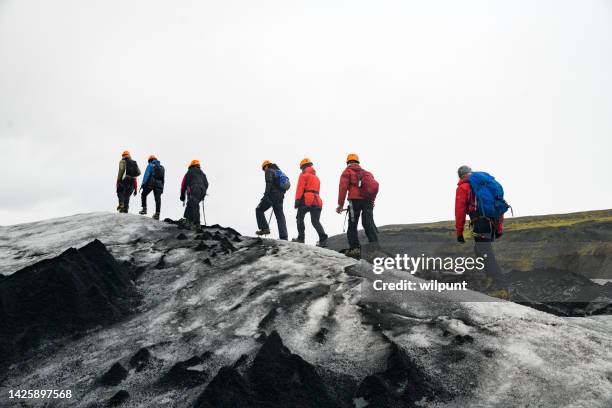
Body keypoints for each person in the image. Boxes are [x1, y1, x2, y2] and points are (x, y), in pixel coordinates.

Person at [455, 165, 505, 284]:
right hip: (491, 223)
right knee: (480, 250)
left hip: (480, 222)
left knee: (484, 251)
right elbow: (498, 207)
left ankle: (498, 282)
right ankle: (489, 278)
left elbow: (459, 211)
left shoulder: (464, 187)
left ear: (460, 176)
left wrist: (459, 233)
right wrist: (498, 228)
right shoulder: (487, 184)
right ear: (471, 172)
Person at [336, 153, 378, 257]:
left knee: (352, 225)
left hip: (355, 201)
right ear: (358, 162)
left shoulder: (347, 171)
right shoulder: (367, 173)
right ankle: (374, 246)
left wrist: (340, 205)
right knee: (368, 222)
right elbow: (373, 188)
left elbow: (343, 188)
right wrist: (371, 202)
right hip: (368, 201)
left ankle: (355, 249)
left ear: (348, 162)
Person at [292, 158, 328, 247]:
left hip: (306, 199)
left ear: (303, 167)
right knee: (315, 221)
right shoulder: (317, 178)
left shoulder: (303, 175)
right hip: (317, 200)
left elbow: (300, 188)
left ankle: (301, 238)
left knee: (299, 218)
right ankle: (323, 239)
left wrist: (297, 200)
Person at [255, 160, 288, 240]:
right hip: (280, 196)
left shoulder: (269, 170)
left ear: (266, 166)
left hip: (272, 195)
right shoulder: (279, 172)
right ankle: (284, 237)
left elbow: (268, 182)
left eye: (264, 169)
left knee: (259, 210)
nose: (264, 170)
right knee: (280, 216)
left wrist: (265, 195)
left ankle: (264, 228)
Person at [180, 160, 208, 229]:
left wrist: (182, 195)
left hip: (194, 188)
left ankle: (196, 223)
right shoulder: (203, 174)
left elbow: (184, 184)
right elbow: (207, 184)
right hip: (202, 191)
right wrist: (203, 191)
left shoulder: (190, 171)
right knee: (191, 203)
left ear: (191, 165)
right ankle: (188, 220)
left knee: (194, 204)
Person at [139, 155, 165, 220]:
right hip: (159, 184)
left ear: (150, 160)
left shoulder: (150, 165)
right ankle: (157, 214)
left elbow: (146, 175)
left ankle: (144, 209)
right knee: (158, 199)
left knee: (143, 194)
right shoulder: (162, 167)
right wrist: (162, 188)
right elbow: (163, 179)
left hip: (151, 183)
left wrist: (143, 184)